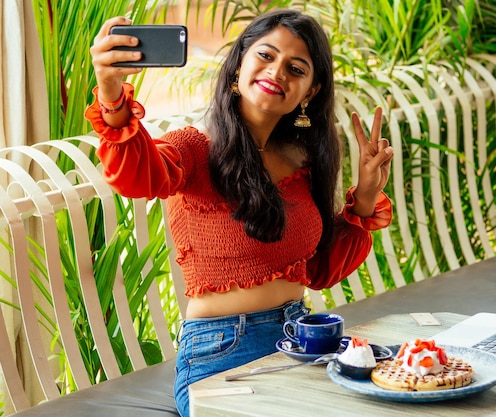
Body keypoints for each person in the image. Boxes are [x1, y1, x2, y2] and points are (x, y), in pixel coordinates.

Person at [86, 9, 393, 417]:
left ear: (310, 92)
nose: (278, 71)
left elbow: (317, 271)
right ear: (238, 67)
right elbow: (137, 178)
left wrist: (367, 197)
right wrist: (111, 94)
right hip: (223, 352)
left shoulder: (302, 159)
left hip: (302, 342)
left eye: (295, 67)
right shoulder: (194, 148)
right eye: (265, 55)